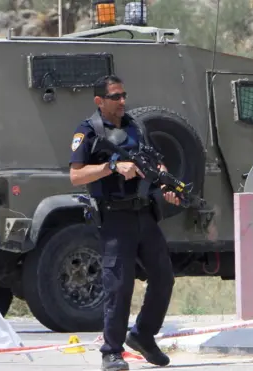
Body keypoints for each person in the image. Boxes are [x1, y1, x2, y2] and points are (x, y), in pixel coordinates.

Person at [69, 75, 179, 371]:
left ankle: (143, 334)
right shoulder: (88, 130)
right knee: (118, 285)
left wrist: (165, 182)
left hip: (144, 213)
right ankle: (111, 351)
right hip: (115, 217)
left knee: (164, 277)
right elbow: (76, 175)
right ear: (99, 101)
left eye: (123, 95)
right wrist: (112, 167)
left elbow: (154, 162)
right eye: (115, 96)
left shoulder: (135, 125)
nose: (122, 101)